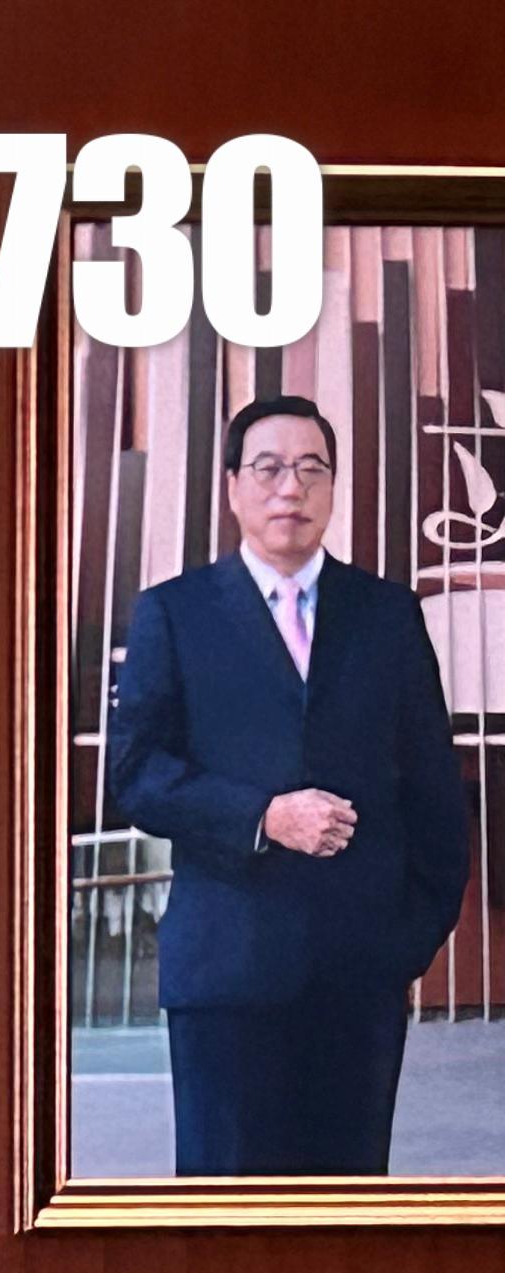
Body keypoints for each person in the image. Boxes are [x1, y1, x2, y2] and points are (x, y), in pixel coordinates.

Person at [103, 392, 474, 1177]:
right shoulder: (176, 614)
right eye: (269, 468)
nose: (290, 489)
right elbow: (135, 774)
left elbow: (436, 798)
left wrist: (404, 945)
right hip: (226, 977)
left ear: (333, 488)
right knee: (226, 1220)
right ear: (233, 487)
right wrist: (263, 816)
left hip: (360, 980)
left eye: (312, 469)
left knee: (346, 1217)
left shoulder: (387, 616)